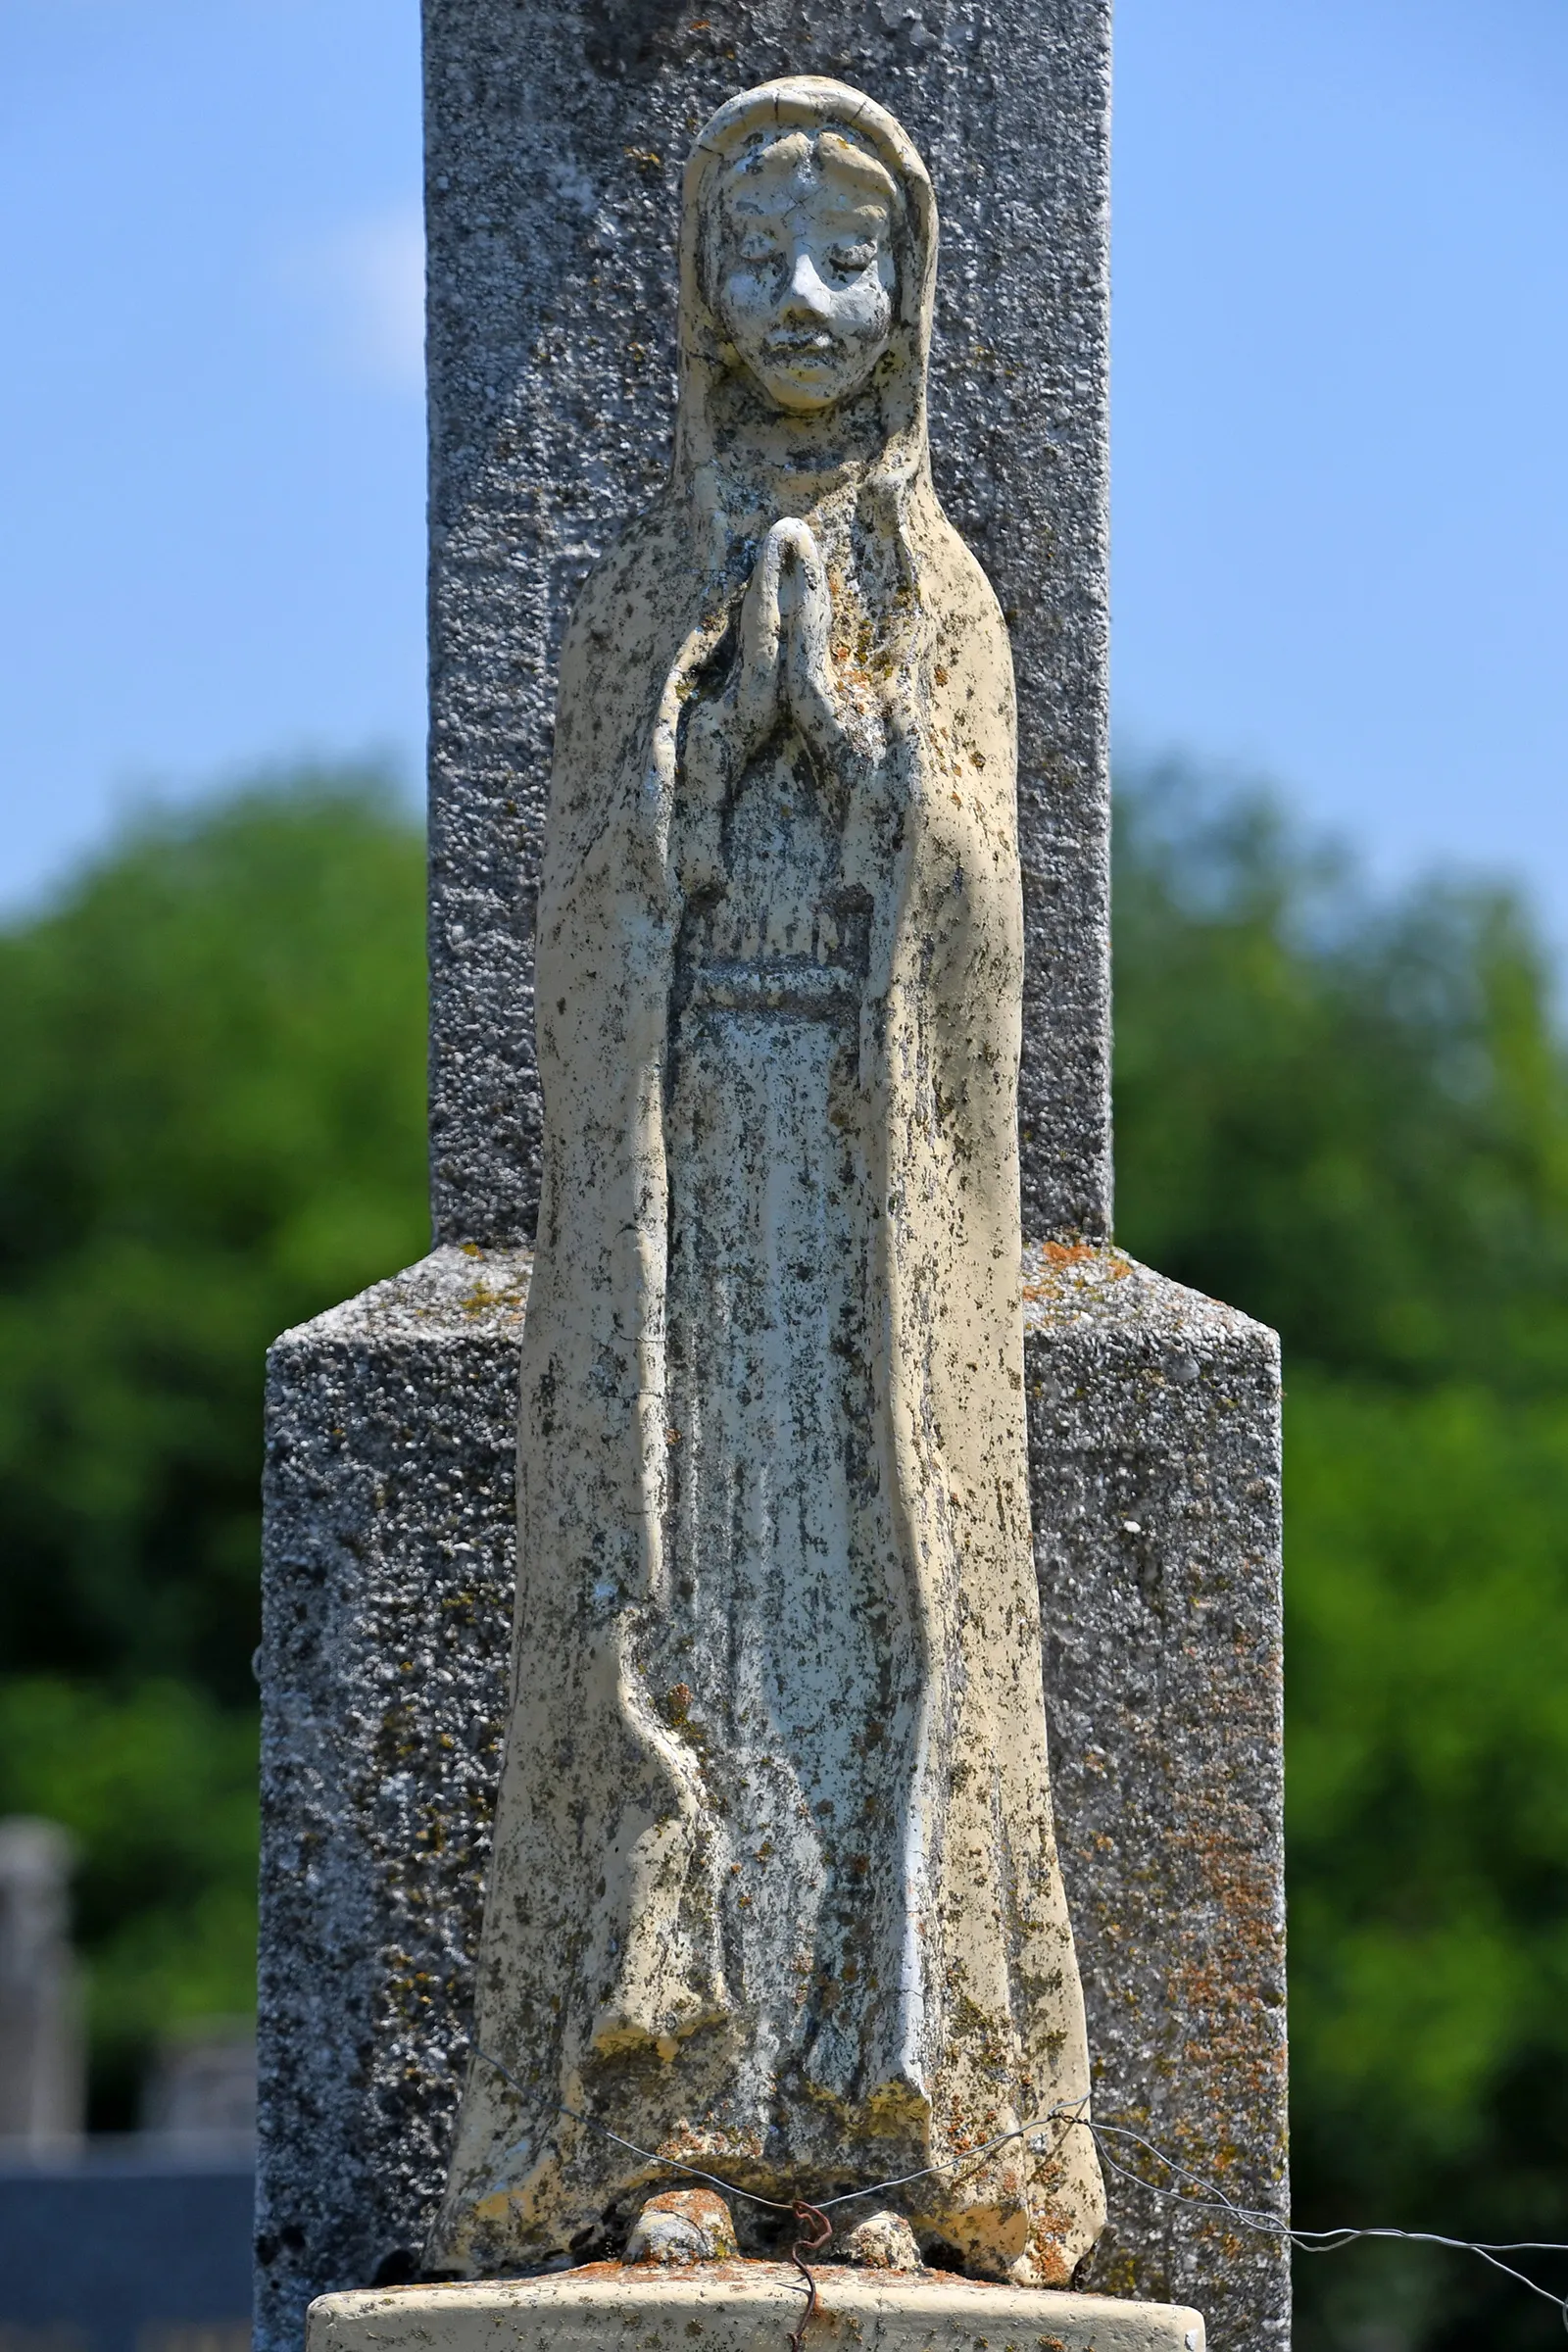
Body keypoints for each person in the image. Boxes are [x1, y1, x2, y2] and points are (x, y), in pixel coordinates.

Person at [427, 76, 1105, 2288]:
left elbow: (991, 923)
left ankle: (889, 2130)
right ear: (694, 301)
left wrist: (874, 758)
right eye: (754, 257)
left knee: (878, 1651)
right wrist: (699, 766)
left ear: (913, 292)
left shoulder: (951, 602)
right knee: (686, 1632)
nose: (799, 303)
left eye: (845, 257)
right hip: (684, 1205)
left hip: (870, 1216)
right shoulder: (647, 591)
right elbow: (585, 922)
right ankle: (670, 2124)